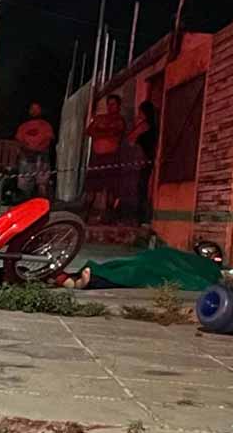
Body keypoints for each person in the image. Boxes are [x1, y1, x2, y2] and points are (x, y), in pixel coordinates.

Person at [54, 246, 222, 291]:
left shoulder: (209, 267)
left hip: (160, 264)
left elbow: (195, 276)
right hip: (160, 259)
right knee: (129, 267)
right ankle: (77, 279)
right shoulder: (195, 260)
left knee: (133, 271)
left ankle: (83, 280)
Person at [84, 94, 126, 222]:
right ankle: (86, 214)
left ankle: (109, 216)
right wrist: (104, 131)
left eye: (113, 104)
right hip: (97, 158)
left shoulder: (119, 120)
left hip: (112, 157)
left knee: (111, 188)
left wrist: (101, 130)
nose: (110, 107)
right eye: (109, 104)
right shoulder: (100, 118)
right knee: (92, 187)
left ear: (118, 106)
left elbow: (116, 132)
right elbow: (89, 131)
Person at [15, 102, 54, 199]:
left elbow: (48, 140)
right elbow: (19, 141)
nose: (35, 111)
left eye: (37, 109)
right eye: (33, 109)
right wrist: (28, 150)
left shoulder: (46, 125)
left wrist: (38, 149)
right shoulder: (23, 126)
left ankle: (42, 204)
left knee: (42, 184)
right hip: (26, 157)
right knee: (25, 186)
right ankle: (26, 203)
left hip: (42, 157)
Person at [127, 101, 158, 225]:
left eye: (140, 111)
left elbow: (130, 139)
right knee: (142, 187)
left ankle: (139, 217)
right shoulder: (153, 125)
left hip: (143, 159)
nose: (138, 114)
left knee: (140, 188)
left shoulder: (144, 125)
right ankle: (142, 217)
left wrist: (136, 125)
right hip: (147, 159)